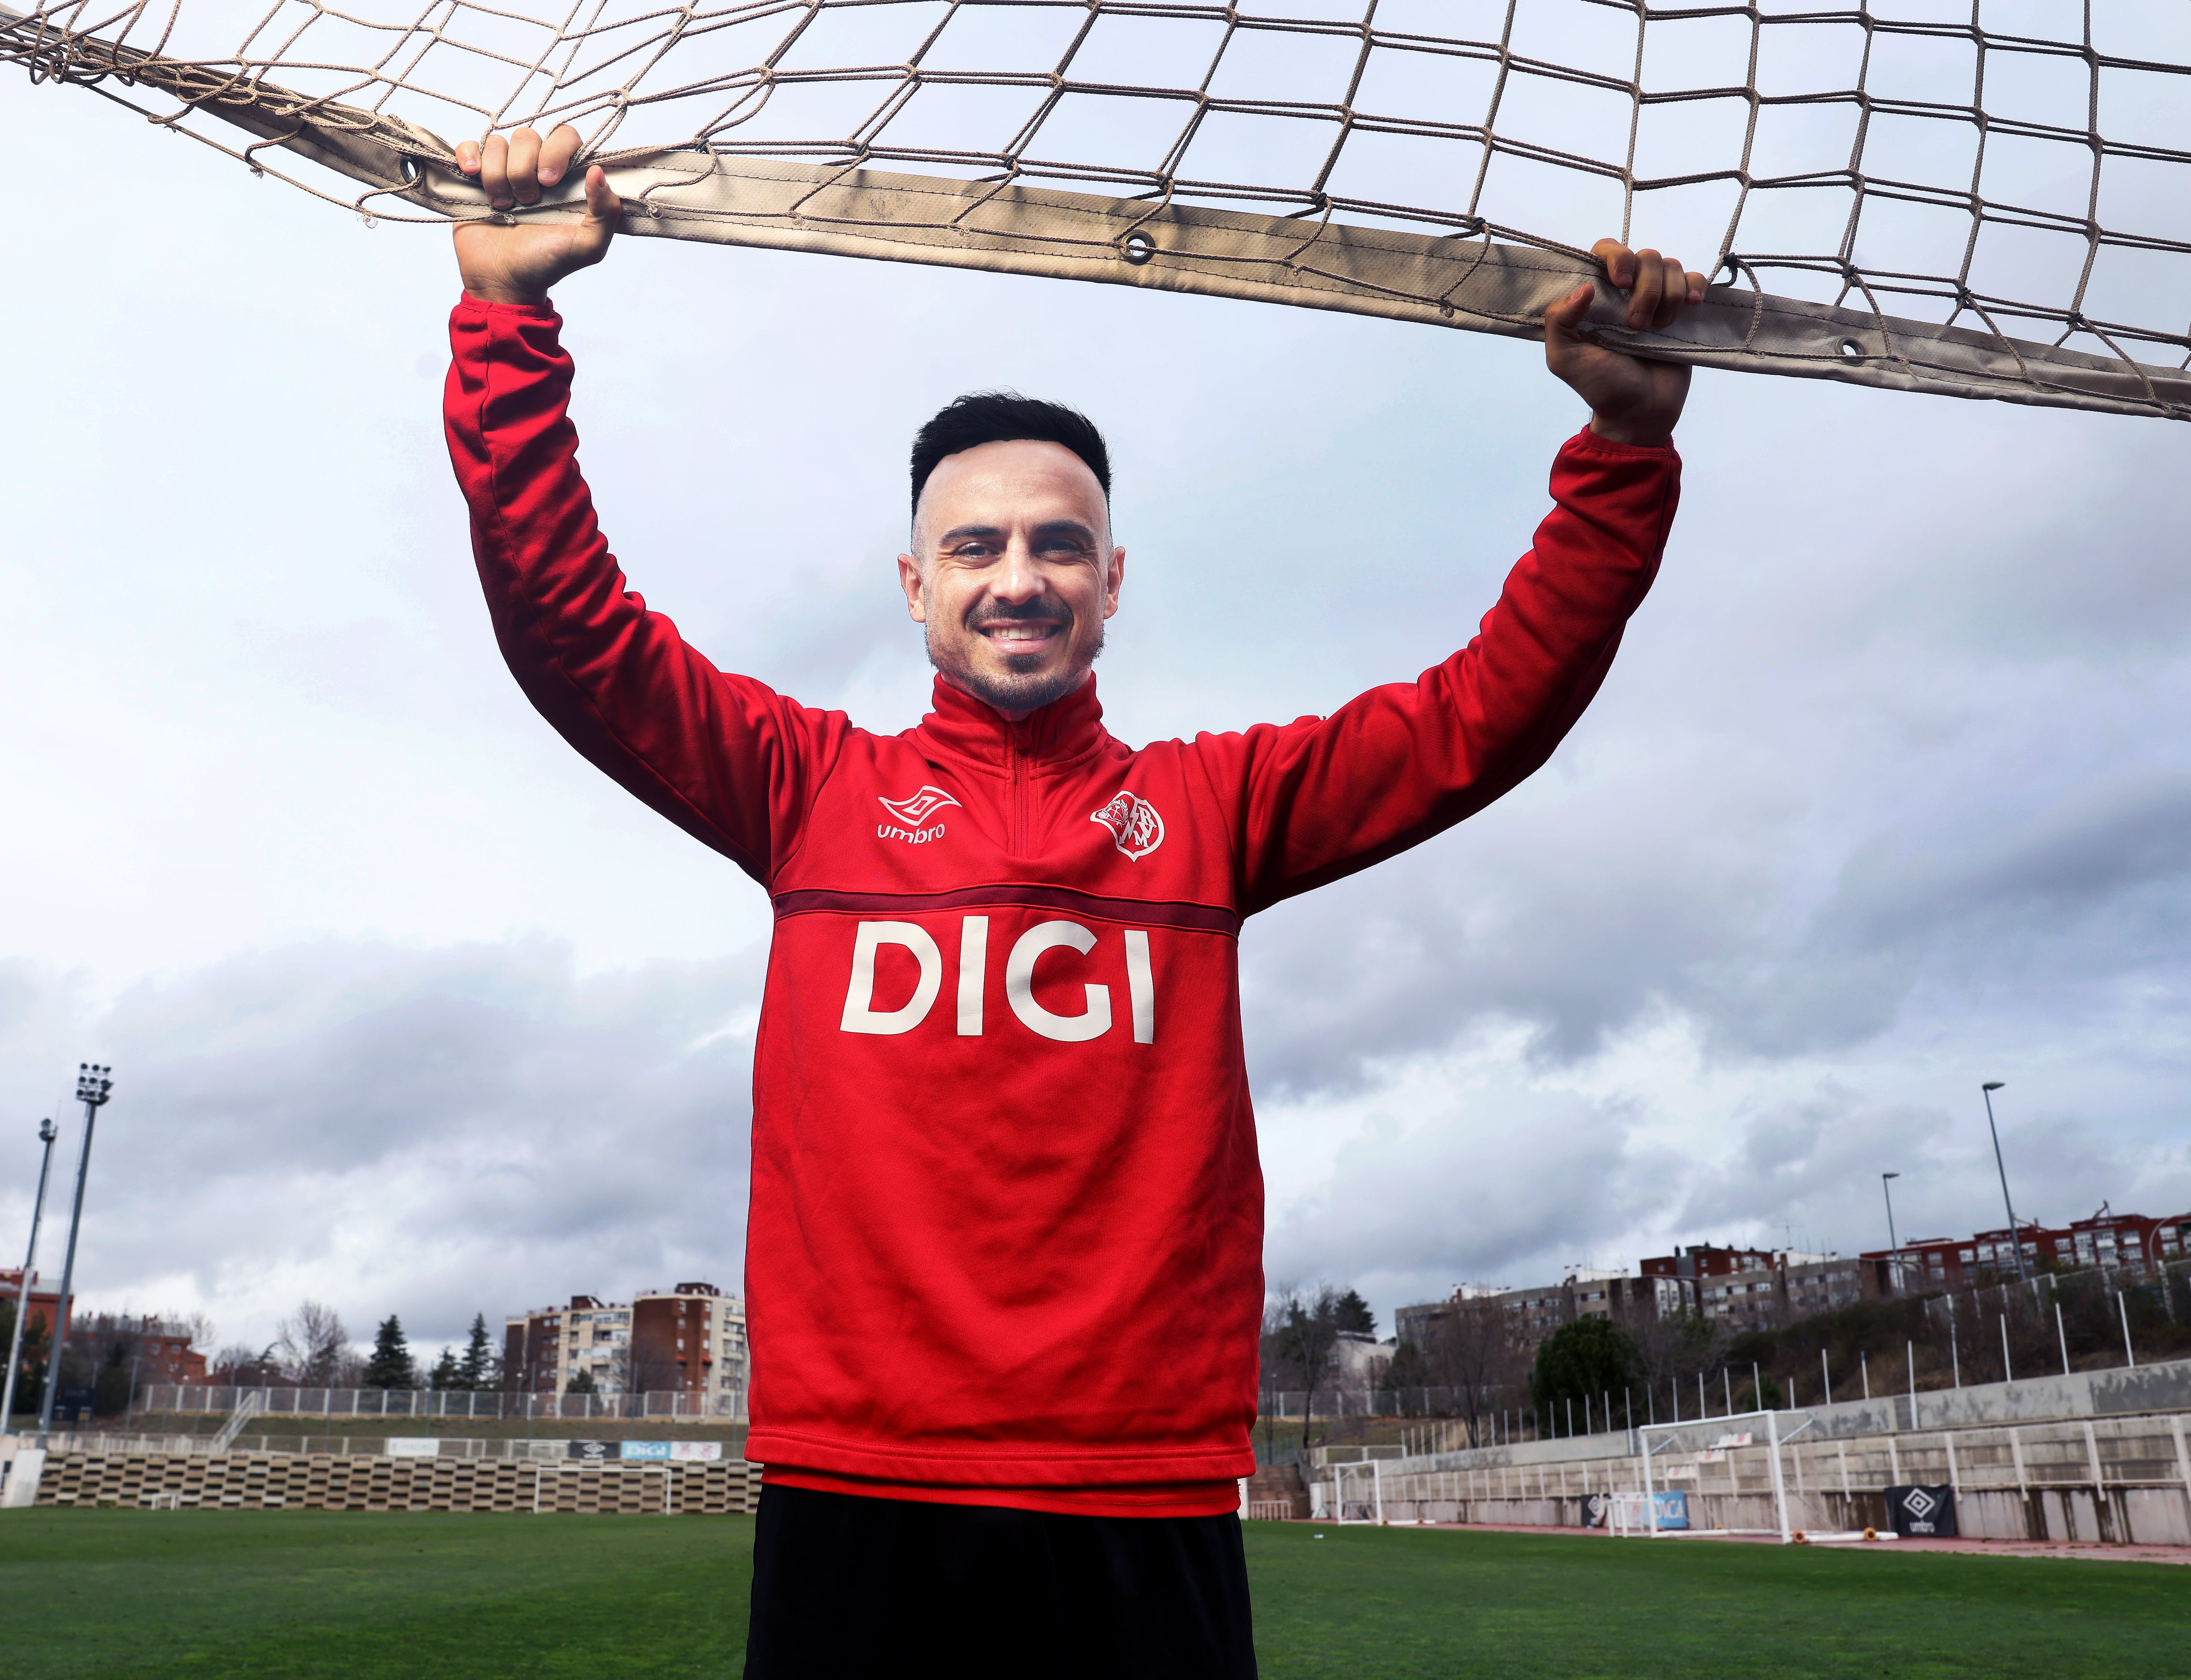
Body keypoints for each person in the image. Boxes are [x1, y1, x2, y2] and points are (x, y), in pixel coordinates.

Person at [444, 126, 1705, 1680]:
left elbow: (1484, 713)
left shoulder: (1210, 808)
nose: (1018, 576)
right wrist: (509, 314)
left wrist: (1625, 453)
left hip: (1142, 1490)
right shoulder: (805, 788)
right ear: (913, 584)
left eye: (1059, 545)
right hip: (859, 1483)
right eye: (973, 545)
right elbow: (566, 623)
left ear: (1115, 582)